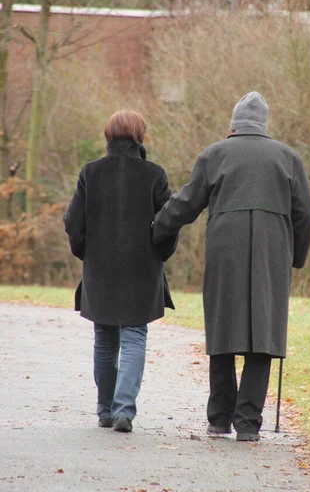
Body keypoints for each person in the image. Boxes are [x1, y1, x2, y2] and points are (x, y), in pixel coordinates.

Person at [153, 91, 310, 442]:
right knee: (264, 334)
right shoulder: (288, 158)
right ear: (264, 124)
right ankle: (247, 424)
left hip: (225, 249)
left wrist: (156, 230)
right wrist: (295, 258)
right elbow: (306, 214)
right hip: (273, 252)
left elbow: (184, 204)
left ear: (234, 124)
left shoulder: (214, 154)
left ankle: (219, 418)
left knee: (223, 328)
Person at [63, 109, 177, 433]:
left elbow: (73, 223)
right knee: (134, 335)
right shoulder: (155, 174)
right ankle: (124, 409)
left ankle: (104, 410)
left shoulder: (90, 173)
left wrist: (86, 254)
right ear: (140, 136)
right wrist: (159, 253)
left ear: (107, 136)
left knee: (104, 338)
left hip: (99, 269)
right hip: (142, 271)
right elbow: (169, 222)